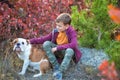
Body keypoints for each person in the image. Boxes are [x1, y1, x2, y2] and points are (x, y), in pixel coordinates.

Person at [29, 13, 82, 80]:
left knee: (70, 50)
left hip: (67, 52)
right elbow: (44, 39)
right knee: (46, 43)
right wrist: (30, 41)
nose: (57, 27)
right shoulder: (56, 31)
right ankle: (55, 66)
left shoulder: (71, 32)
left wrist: (58, 47)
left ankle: (60, 71)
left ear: (67, 26)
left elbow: (74, 44)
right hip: (58, 51)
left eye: (60, 26)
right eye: (57, 25)